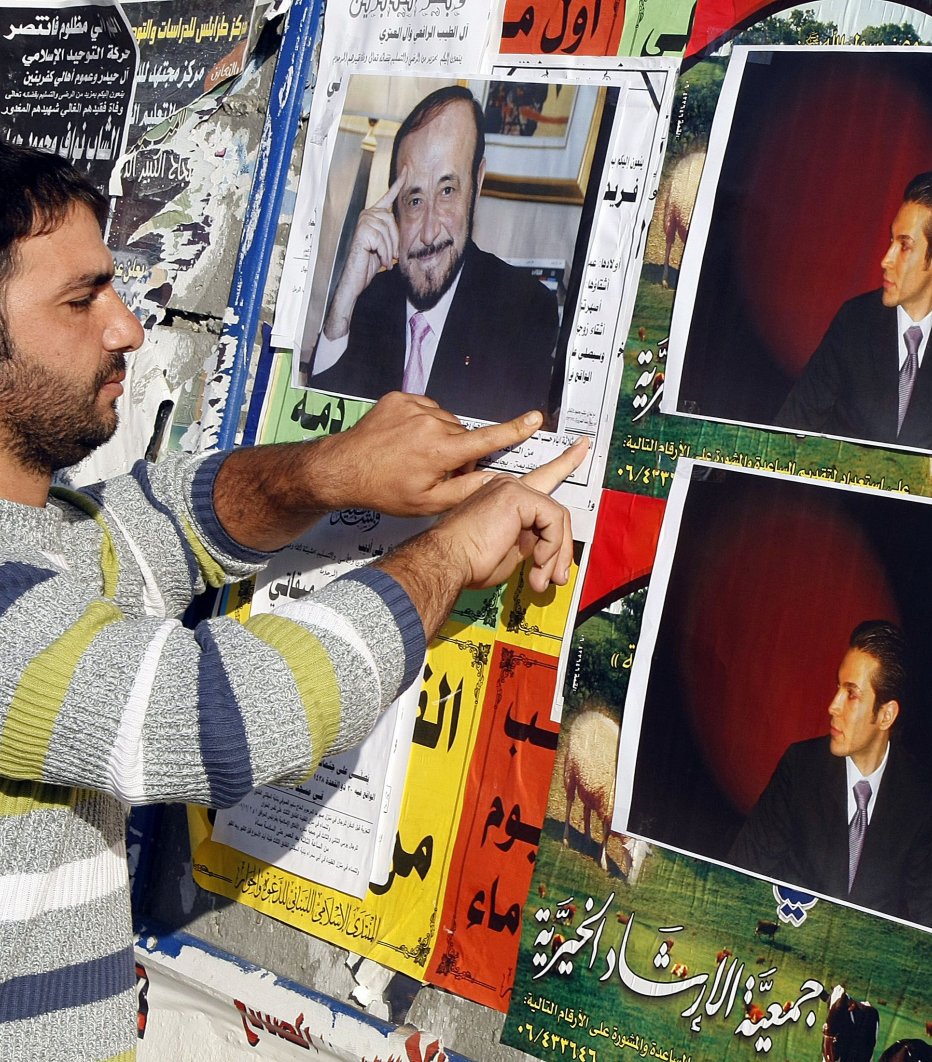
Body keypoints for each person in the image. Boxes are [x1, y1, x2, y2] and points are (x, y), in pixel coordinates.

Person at [0, 141, 586, 1058]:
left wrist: (331, 468)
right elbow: (217, 723)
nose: (128, 328)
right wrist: (448, 555)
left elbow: (160, 524)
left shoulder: (44, 539)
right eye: (81, 301)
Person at [309, 85, 562, 425]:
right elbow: (316, 424)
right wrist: (343, 304)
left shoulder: (525, 311)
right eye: (414, 200)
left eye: (447, 191)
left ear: (477, 181)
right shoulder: (369, 302)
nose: (429, 233)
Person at [727, 621, 932, 933]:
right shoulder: (800, 769)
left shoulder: (918, 793)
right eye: (838, 687)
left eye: (851, 694)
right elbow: (742, 869)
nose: (832, 706)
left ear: (886, 715)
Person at [775, 172, 932, 462]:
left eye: (904, 246)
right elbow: (792, 424)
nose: (885, 259)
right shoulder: (854, 322)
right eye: (891, 240)